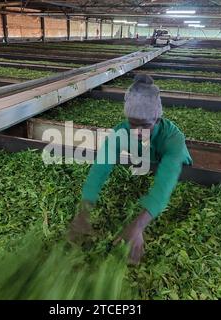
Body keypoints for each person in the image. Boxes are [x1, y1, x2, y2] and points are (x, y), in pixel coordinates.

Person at [68, 74, 193, 264]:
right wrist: (84, 211)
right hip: (144, 163)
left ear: (157, 119)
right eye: (133, 124)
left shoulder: (173, 138)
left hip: (178, 170)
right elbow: (100, 169)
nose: (137, 132)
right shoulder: (122, 131)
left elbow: (164, 184)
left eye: (145, 125)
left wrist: (138, 226)